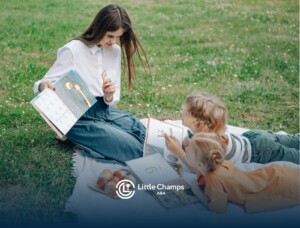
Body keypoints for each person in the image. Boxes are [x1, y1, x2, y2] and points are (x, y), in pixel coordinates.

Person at [33, 4, 149, 163]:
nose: (113, 41)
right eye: (110, 36)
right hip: (78, 119)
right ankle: (77, 138)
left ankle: (92, 141)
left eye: (118, 37)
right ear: (99, 28)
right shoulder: (74, 50)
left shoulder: (114, 51)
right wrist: (43, 86)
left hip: (104, 111)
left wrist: (109, 94)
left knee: (145, 136)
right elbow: (43, 83)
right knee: (134, 150)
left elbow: (112, 100)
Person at [164, 91, 300, 170]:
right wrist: (186, 143)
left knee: (295, 156)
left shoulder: (208, 143)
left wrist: (178, 151)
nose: (181, 113)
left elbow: (197, 168)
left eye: (186, 112)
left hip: (261, 152)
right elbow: (191, 140)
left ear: (198, 121)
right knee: (294, 140)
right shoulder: (205, 130)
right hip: (253, 138)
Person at [179, 132, 300, 213]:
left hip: (275, 187)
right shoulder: (222, 163)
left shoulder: (213, 180)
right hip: (274, 175)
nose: (186, 150)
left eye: (188, 152)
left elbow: (219, 207)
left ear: (200, 164)